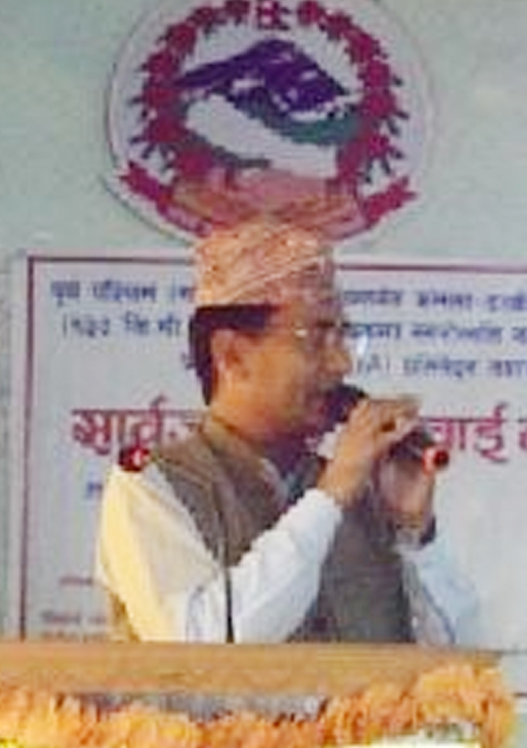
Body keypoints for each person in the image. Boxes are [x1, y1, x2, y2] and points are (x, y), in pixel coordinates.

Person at [95, 215, 478, 645]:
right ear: (232, 355)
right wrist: (329, 498)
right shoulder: (151, 484)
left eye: (344, 339)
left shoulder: (360, 494)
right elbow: (204, 644)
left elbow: (457, 663)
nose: (342, 364)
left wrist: (415, 535)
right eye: (315, 339)